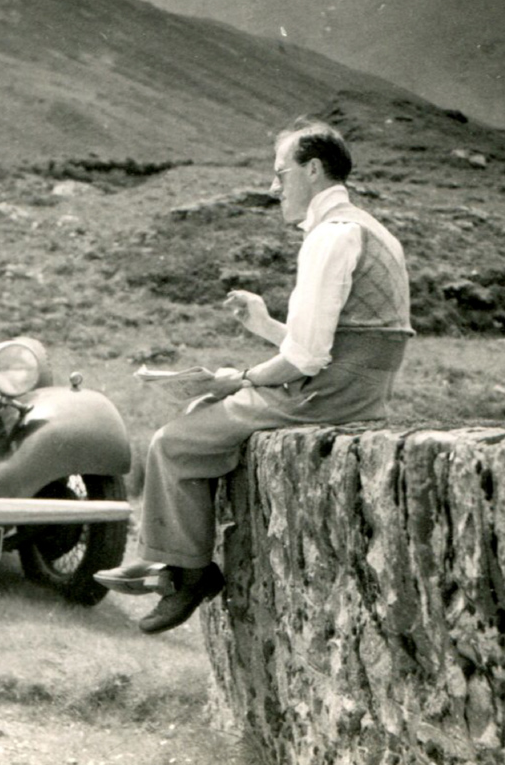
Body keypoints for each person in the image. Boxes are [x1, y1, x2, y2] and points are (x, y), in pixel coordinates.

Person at [95, 118, 413, 634]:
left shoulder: (330, 238)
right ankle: (161, 555)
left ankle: (188, 572)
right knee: (206, 417)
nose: (273, 187)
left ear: (312, 170)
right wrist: (264, 325)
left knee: (175, 441)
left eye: (280, 173)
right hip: (356, 391)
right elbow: (334, 341)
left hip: (326, 397)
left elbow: (307, 360)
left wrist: (240, 377)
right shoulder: (371, 230)